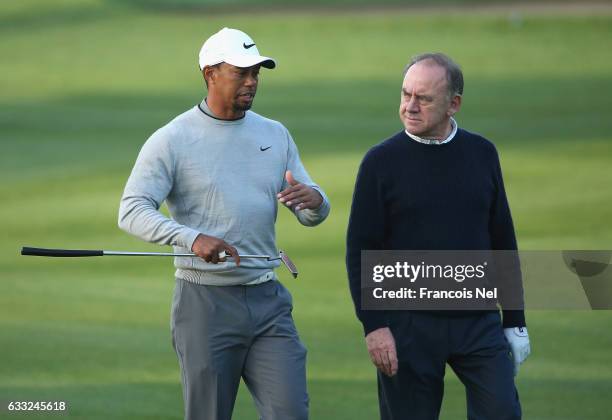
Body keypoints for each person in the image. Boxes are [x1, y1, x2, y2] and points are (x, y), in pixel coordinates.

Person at [118, 27, 330, 420]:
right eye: (241, 72)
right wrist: (191, 238)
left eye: (256, 73)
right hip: (204, 305)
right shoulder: (173, 139)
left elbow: (310, 209)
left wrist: (316, 201)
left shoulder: (274, 134)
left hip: (268, 300)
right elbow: (131, 209)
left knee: (291, 412)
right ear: (210, 73)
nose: (252, 82)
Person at [346, 53, 530, 419]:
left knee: (502, 412)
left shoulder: (482, 154)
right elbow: (360, 250)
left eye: (424, 98)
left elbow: (502, 239)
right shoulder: (380, 162)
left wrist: (515, 319)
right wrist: (375, 325)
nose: (410, 106)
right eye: (405, 94)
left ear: (454, 104)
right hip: (408, 324)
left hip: (477, 320)